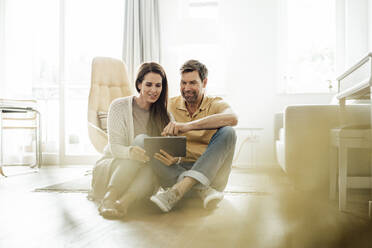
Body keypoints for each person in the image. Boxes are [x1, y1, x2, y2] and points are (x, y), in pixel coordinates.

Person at [149, 59, 238, 212]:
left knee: (229, 132)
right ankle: (201, 190)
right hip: (176, 170)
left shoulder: (216, 103)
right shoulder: (169, 104)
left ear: (204, 82)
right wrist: (170, 156)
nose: (187, 88)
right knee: (143, 141)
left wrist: (187, 126)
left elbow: (232, 118)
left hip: (211, 175)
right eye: (183, 83)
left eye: (192, 83)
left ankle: (177, 192)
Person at [89, 62, 171, 218]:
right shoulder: (119, 107)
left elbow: (171, 148)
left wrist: (172, 158)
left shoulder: (165, 115)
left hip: (146, 172)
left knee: (151, 167)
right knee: (141, 141)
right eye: (148, 84)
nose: (153, 90)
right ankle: (109, 198)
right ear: (139, 84)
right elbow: (115, 148)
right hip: (116, 165)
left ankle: (123, 203)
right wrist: (130, 152)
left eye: (158, 86)